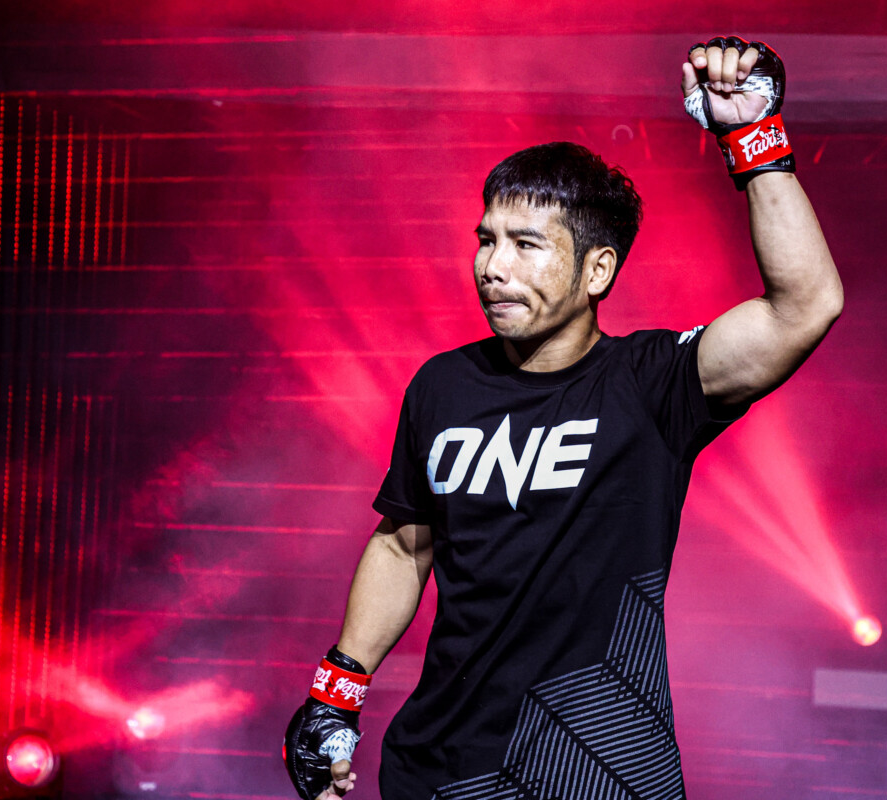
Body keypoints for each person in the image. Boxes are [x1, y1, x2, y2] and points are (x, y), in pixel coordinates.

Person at [284, 36, 843, 800]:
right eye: (486, 240)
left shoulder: (652, 383)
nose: (493, 267)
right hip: (440, 773)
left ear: (597, 269)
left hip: (601, 772)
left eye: (525, 245)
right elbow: (403, 542)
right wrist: (334, 695)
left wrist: (754, 137)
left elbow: (805, 306)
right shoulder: (443, 386)